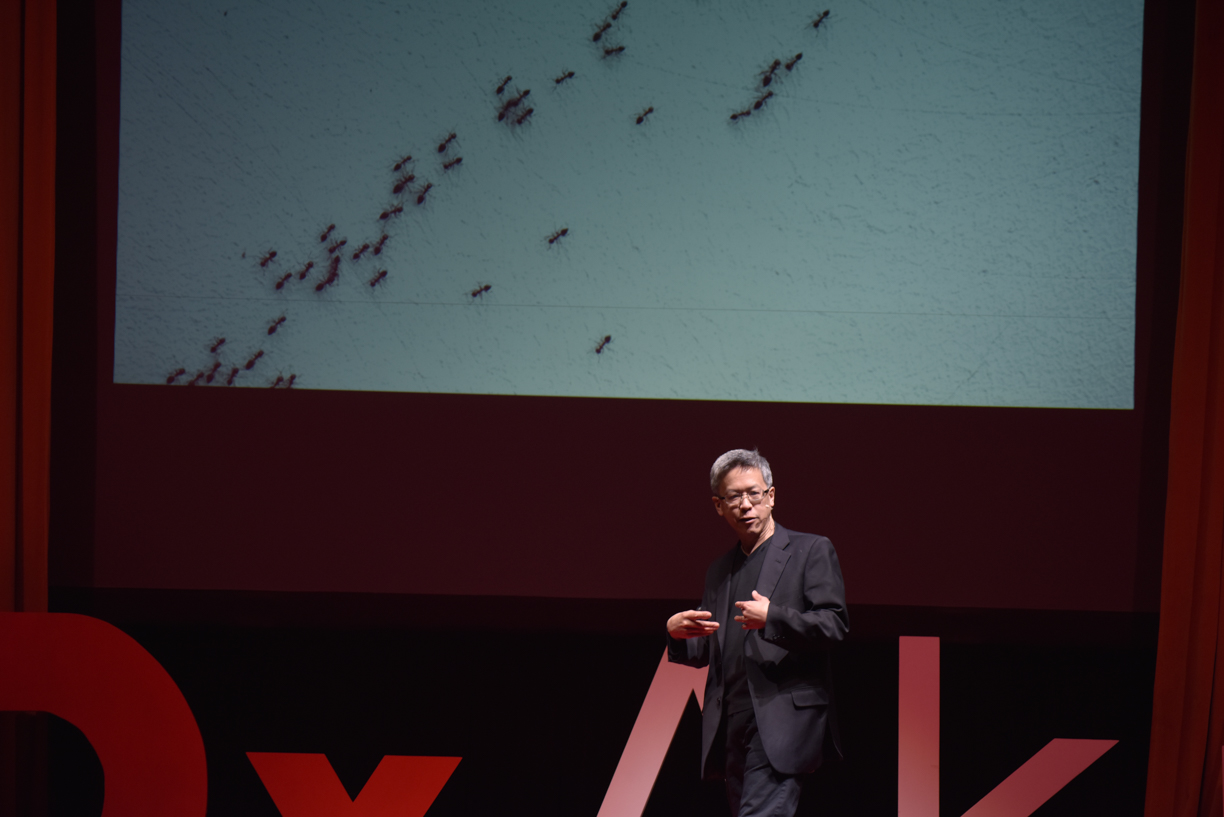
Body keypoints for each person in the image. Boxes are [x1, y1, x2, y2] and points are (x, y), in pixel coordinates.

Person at [666, 449, 848, 817]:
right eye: (734, 497)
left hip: (780, 718)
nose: (745, 505)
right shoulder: (719, 571)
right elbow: (709, 650)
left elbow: (834, 624)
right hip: (731, 721)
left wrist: (774, 617)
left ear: (772, 496)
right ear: (719, 506)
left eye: (754, 493)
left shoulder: (809, 549)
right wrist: (677, 633)